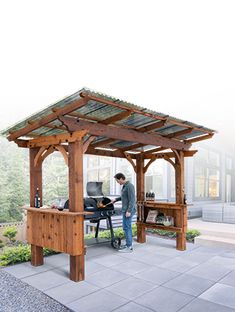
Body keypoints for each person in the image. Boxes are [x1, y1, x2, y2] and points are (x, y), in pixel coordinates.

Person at [112, 173, 136, 253]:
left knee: (127, 227)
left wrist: (129, 211)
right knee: (126, 227)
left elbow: (132, 200)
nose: (118, 182)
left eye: (118, 180)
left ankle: (129, 247)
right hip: (126, 210)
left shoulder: (129, 186)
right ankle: (128, 245)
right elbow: (124, 197)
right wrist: (116, 199)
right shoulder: (125, 186)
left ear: (122, 178)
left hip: (128, 211)